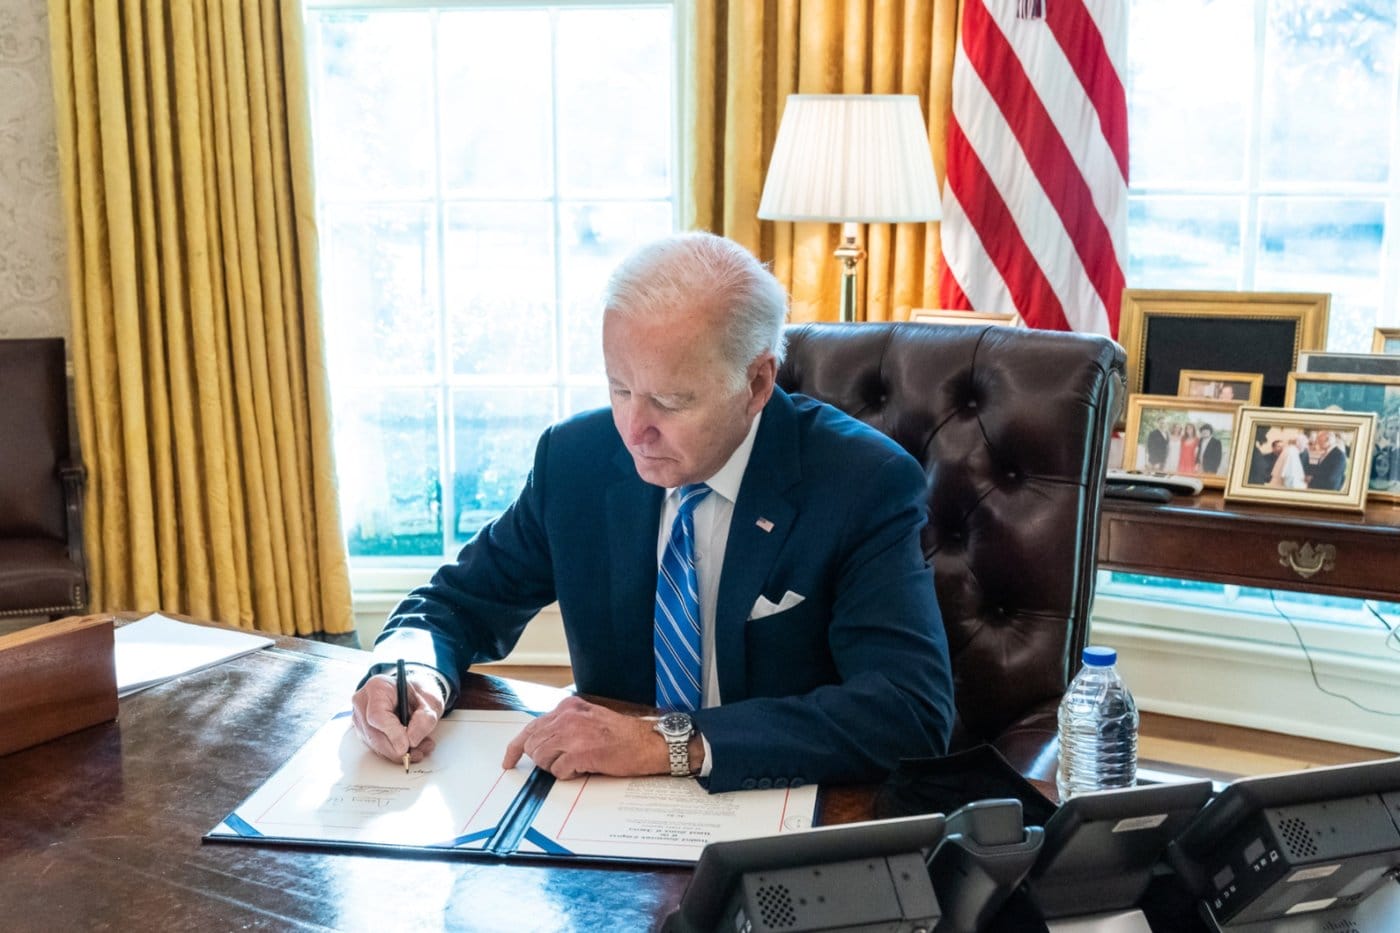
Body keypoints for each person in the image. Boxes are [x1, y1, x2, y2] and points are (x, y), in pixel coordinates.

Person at [349, 232, 955, 794]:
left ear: (757, 384)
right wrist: (410, 668)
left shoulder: (861, 483)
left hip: (775, 811)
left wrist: (665, 742)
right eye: (619, 388)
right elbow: (454, 605)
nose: (635, 430)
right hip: (598, 814)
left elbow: (908, 710)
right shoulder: (575, 462)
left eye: (668, 400)